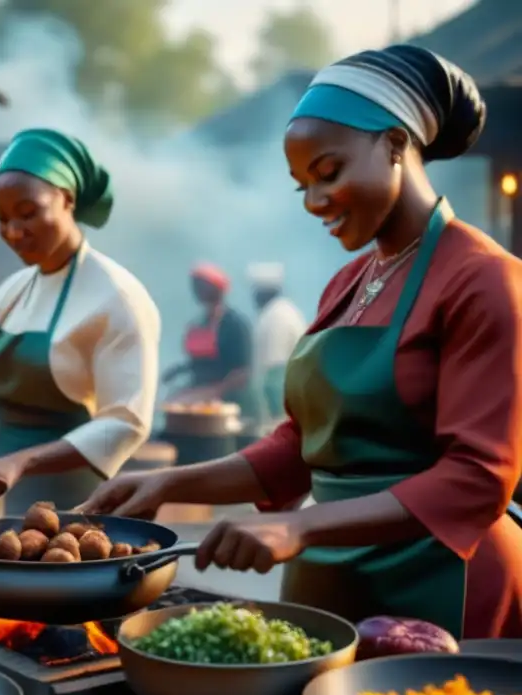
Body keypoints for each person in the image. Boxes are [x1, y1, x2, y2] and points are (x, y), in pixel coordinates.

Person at [79, 45, 522, 639]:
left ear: (395, 145)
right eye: (301, 187)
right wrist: (171, 484)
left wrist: (303, 528)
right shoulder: (349, 282)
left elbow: (478, 479)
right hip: (331, 579)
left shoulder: (484, 279)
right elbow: (301, 446)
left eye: (329, 172)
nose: (315, 202)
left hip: (443, 581)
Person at [0, 128, 160, 512]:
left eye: (28, 213)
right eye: (2, 218)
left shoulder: (116, 296)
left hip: (71, 507)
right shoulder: (11, 292)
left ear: (67, 200)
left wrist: (23, 461)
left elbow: (126, 422)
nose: (13, 232)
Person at [162, 264, 258, 417]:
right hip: (198, 390)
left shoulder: (234, 325)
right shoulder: (199, 323)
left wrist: (212, 392)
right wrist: (177, 371)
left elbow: (242, 374)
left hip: (229, 398)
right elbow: (198, 362)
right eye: (196, 285)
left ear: (217, 290)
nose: (197, 290)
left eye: (201, 285)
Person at [247, 263, 307, 422]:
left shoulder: (277, 317)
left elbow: (275, 374)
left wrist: (275, 416)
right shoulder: (282, 311)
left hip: (284, 407)